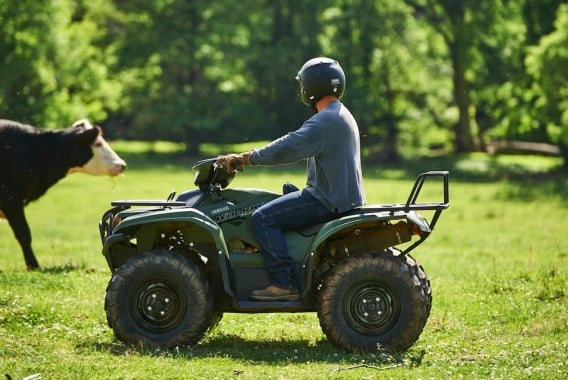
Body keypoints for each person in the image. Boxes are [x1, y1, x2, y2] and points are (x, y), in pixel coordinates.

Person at [216, 57, 366, 301]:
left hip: (326, 200)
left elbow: (287, 147)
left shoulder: (325, 120)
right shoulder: (340, 113)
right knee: (283, 195)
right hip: (339, 196)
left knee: (263, 217)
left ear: (309, 88)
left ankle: (283, 283)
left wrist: (247, 158)